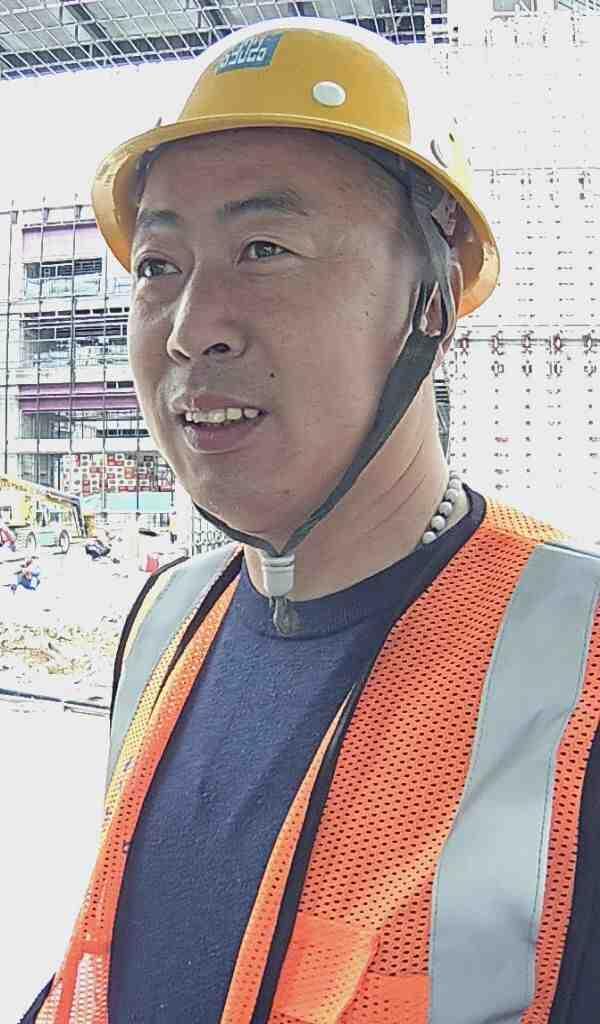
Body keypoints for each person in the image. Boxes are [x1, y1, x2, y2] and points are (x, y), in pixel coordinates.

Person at [21, 19, 600, 1024]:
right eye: (157, 265)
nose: (192, 327)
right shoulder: (167, 618)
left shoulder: (578, 657)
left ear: (430, 308)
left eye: (264, 248)